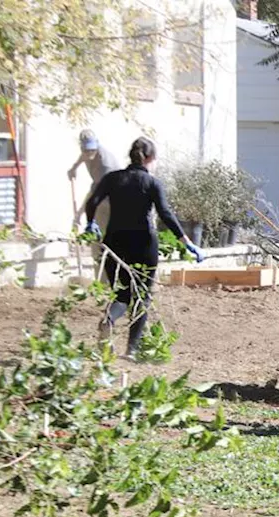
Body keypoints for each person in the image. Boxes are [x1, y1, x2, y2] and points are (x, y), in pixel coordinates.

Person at [84, 137, 199, 357]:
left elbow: (92, 201)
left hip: (114, 242)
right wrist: (187, 241)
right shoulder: (152, 183)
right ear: (149, 159)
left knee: (122, 293)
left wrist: (90, 223)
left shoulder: (112, 178)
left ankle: (109, 319)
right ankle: (132, 349)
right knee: (141, 295)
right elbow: (165, 214)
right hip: (144, 243)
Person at [69, 129, 122, 229]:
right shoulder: (87, 153)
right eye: (86, 150)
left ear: (97, 146)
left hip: (114, 199)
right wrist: (74, 168)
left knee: (103, 231)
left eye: (92, 150)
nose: (90, 154)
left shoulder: (105, 166)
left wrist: (79, 214)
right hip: (102, 194)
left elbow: (94, 194)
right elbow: (84, 156)